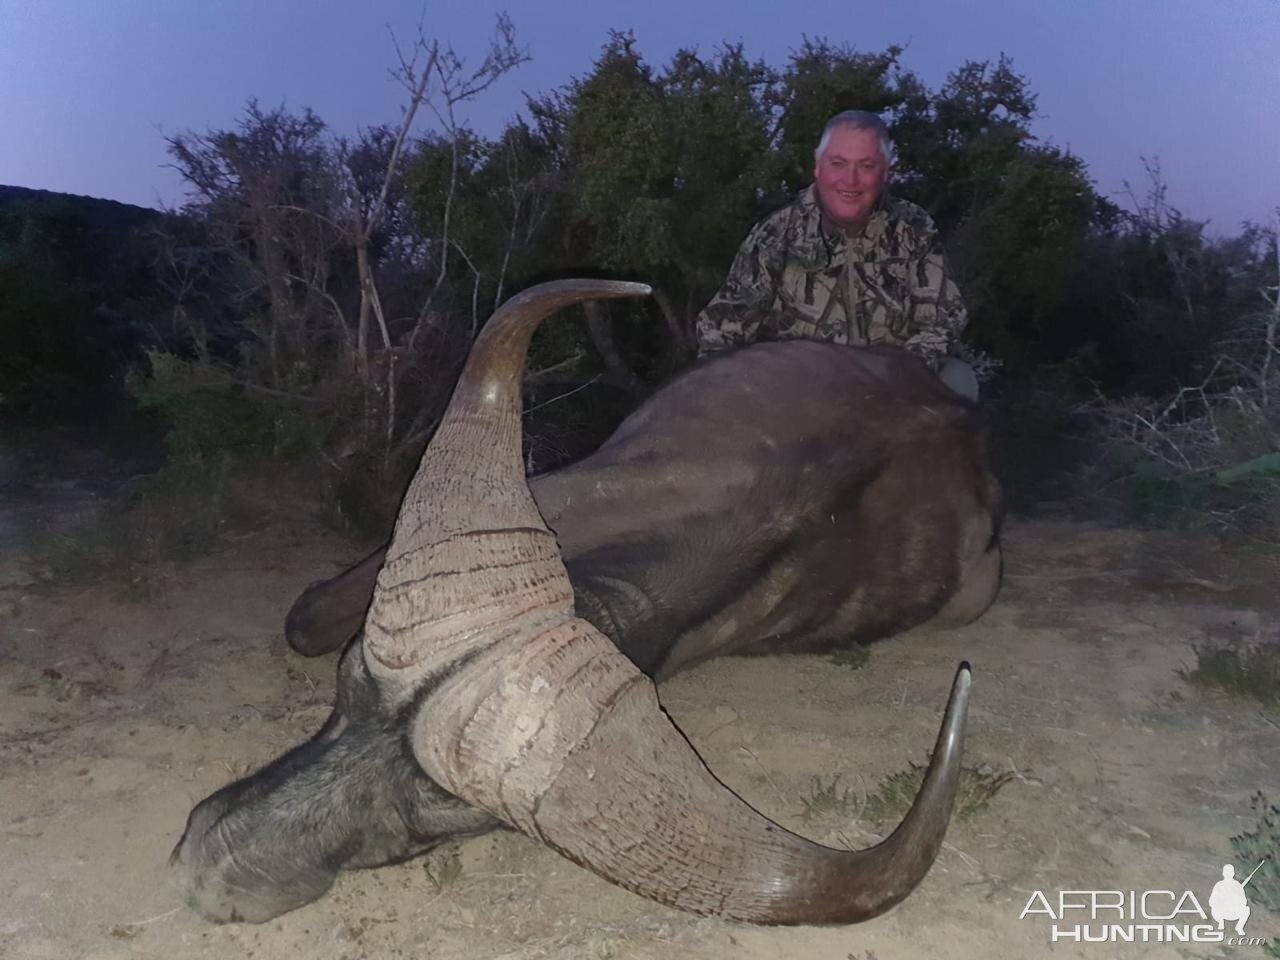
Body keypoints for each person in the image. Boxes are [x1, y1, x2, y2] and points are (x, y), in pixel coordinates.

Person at [695, 110, 977, 400]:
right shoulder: (776, 232)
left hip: (887, 389)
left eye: (866, 165)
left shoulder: (914, 227)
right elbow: (722, 329)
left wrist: (897, 378)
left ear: (885, 172)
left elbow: (942, 319)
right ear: (818, 167)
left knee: (958, 380)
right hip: (795, 392)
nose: (850, 180)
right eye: (838, 163)